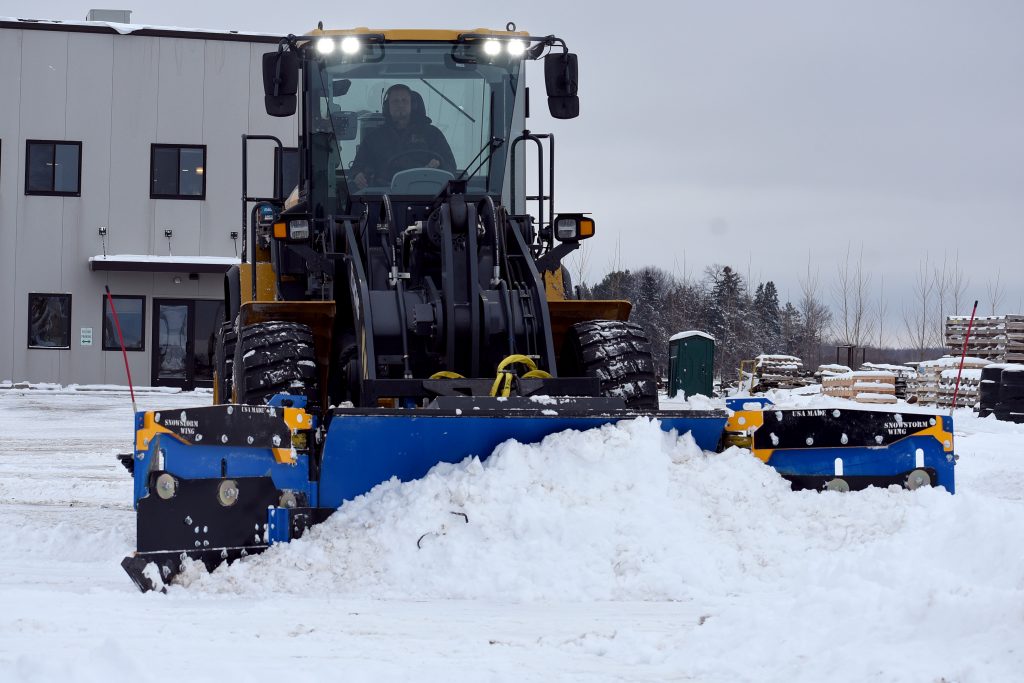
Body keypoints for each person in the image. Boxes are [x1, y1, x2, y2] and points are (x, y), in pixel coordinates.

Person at [351, 84, 457, 189]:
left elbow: (450, 166)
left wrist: (438, 165)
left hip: (426, 196)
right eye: (395, 101)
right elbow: (357, 168)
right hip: (383, 196)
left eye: (404, 100)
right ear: (387, 107)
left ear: (413, 105)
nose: (400, 105)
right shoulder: (374, 138)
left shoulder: (432, 134)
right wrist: (358, 175)